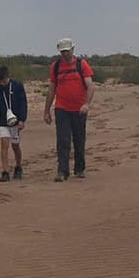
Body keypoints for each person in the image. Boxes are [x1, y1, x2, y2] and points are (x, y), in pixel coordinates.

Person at [44, 37, 94, 181]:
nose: (65, 54)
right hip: (62, 108)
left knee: (79, 139)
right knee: (63, 140)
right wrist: (46, 111)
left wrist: (87, 104)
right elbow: (52, 89)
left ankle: (79, 169)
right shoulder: (56, 66)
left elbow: (90, 86)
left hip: (79, 109)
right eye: (62, 51)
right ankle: (62, 171)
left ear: (73, 49)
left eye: (67, 51)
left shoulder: (81, 64)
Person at [0, 65, 28, 182]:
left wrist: (22, 120)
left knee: (15, 145)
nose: (2, 83)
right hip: (3, 121)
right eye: (0, 82)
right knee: (4, 144)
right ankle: (5, 171)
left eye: (4, 81)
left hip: (15, 121)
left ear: (8, 77)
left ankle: (18, 167)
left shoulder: (17, 86)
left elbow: (23, 103)